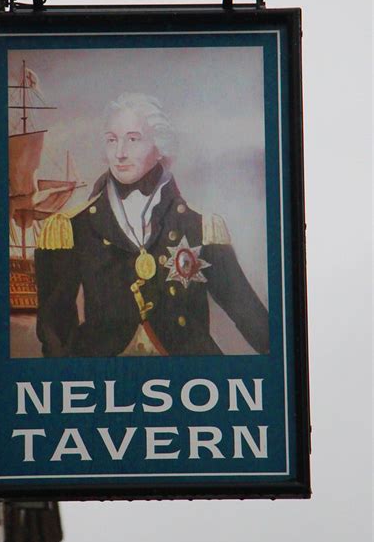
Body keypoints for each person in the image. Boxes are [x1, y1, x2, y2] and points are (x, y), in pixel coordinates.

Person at [34, 93, 269, 357]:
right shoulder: (73, 227)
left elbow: (244, 307)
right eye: (112, 140)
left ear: (160, 146)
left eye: (133, 139)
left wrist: (283, 359)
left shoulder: (201, 227)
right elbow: (55, 330)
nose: (120, 153)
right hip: (104, 378)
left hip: (191, 375)